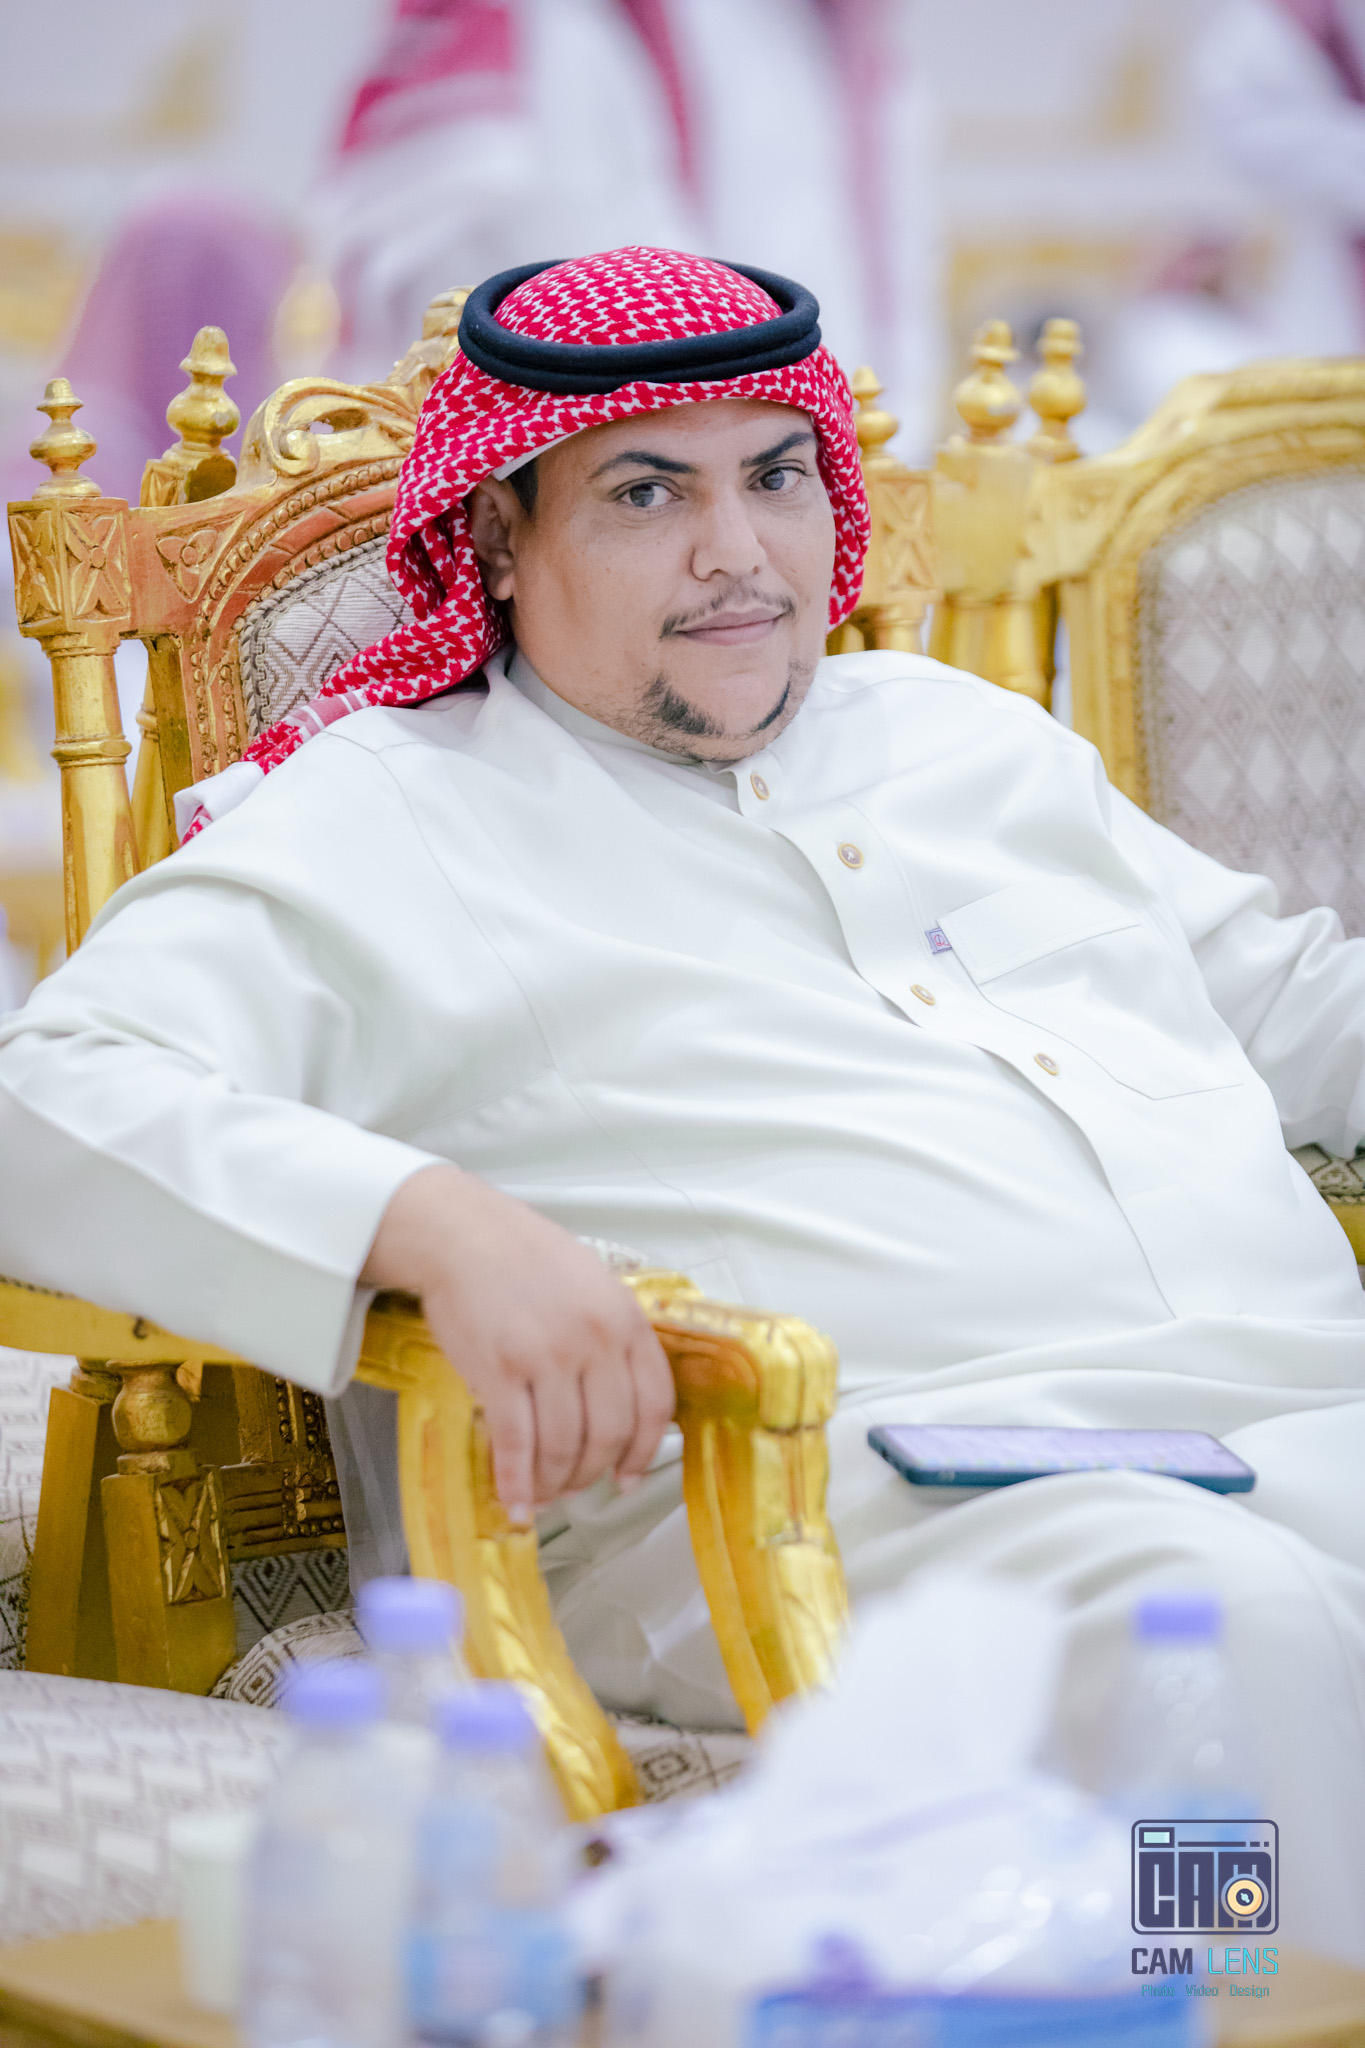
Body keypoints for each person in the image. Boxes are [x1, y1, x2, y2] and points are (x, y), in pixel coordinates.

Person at [1, 247, 1363, 1958]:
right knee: (1221, 1642)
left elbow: (1294, 1006)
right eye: (647, 493)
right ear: (499, 536)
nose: (737, 552)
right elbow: (47, 1104)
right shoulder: (383, 816)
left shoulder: (968, 740)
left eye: (774, 478)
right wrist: (434, 1227)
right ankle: (1244, 1992)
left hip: (1294, 1422)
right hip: (838, 1501)